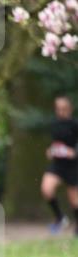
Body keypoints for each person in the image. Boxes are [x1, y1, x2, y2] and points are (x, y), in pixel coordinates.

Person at [41, 95, 78, 236]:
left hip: (73, 166)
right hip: (57, 165)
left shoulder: (75, 124)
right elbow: (55, 143)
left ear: (69, 109)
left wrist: (74, 152)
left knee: (74, 201)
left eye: (63, 109)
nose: (60, 111)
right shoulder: (55, 124)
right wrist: (50, 150)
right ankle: (60, 218)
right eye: (58, 109)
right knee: (46, 189)